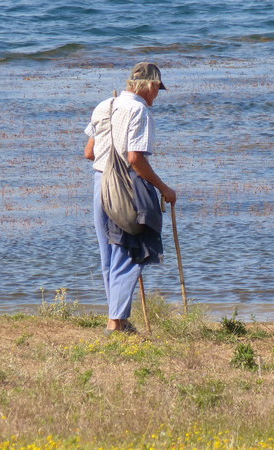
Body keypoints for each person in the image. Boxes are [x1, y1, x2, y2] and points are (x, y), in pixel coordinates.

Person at [83, 62, 176, 335]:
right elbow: (135, 158)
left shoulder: (104, 105)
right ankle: (115, 324)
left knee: (108, 255)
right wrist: (163, 188)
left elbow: (89, 152)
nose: (157, 94)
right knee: (130, 250)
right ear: (148, 86)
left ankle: (117, 319)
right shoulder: (139, 110)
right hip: (125, 185)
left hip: (100, 184)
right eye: (157, 88)